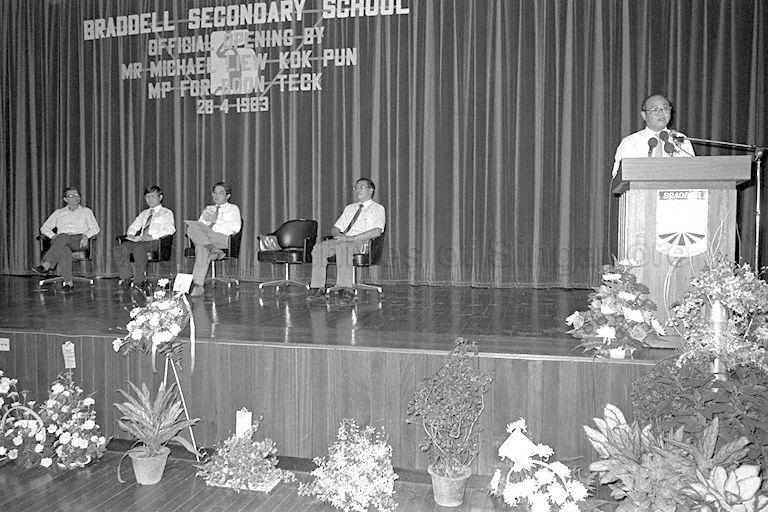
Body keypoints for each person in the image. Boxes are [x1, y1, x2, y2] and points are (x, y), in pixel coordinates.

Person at [307, 178, 385, 299]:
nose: (357, 190)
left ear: (371, 190)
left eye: (361, 187)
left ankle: (344, 288)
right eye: (356, 187)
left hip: (361, 242)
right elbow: (336, 227)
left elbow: (377, 231)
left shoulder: (378, 208)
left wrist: (351, 239)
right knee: (319, 247)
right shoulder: (350, 208)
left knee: (343, 246)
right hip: (344, 240)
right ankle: (318, 286)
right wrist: (338, 236)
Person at [32, 186, 100, 291]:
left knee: (62, 239)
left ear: (80, 197)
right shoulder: (58, 213)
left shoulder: (86, 212)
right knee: (64, 248)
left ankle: (46, 264)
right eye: (71, 196)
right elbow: (44, 228)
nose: (74, 198)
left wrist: (86, 236)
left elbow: (96, 228)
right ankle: (69, 283)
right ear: (65, 199)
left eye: (76, 195)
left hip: (78, 240)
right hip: (60, 240)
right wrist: (53, 236)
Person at [612, 93, 696, 178]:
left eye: (665, 108)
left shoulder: (681, 139)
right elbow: (617, 177)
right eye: (655, 109)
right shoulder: (629, 143)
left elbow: (694, 172)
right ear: (644, 115)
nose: (661, 113)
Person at [113, 185, 176, 290]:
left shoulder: (167, 213)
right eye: (147, 197)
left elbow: (170, 229)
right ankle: (127, 277)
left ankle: (139, 280)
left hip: (155, 241)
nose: (149, 199)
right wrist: (131, 235)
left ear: (160, 197)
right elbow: (134, 226)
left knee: (139, 249)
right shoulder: (144, 213)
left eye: (152, 196)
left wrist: (152, 236)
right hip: (140, 240)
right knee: (119, 249)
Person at [186, 182, 242, 297]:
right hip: (207, 239)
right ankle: (198, 285)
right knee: (192, 229)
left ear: (228, 196)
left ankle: (197, 283)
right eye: (214, 193)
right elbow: (199, 227)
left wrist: (216, 220)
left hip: (223, 238)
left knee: (202, 241)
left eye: (220, 193)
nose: (216, 196)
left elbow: (236, 228)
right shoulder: (208, 208)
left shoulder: (233, 208)